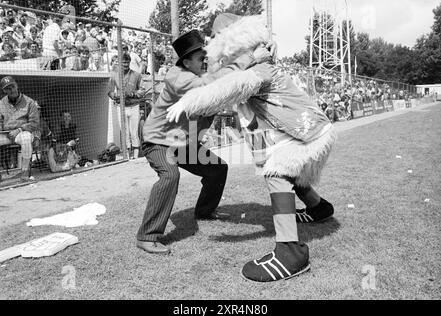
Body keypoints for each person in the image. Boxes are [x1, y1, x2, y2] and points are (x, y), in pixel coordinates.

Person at [167, 14, 336, 282]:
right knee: (285, 169)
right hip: (300, 131)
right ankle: (319, 208)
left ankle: (290, 252)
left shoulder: (260, 68)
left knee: (277, 173)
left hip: (307, 134)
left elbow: (229, 85)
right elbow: (227, 85)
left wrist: (190, 102)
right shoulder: (256, 63)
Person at [136, 30, 273, 255]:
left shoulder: (199, 74)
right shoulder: (176, 76)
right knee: (170, 175)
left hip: (182, 144)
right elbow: (212, 85)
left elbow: (223, 86)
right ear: (186, 61)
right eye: (200, 58)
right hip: (158, 142)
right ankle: (147, 236)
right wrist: (250, 58)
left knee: (217, 169)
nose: (205, 61)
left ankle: (205, 211)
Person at [0, 76, 40, 181]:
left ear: (17, 85)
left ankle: (25, 171)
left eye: (12, 86)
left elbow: (34, 123)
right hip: (5, 133)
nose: (11, 90)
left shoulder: (29, 102)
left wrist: (19, 130)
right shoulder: (1, 103)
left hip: (22, 132)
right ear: (4, 91)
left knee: (26, 139)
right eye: (8, 88)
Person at [108, 53, 145, 159]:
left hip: (134, 105)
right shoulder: (114, 75)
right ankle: (128, 155)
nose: (125, 64)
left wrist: (133, 94)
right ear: (119, 62)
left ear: (130, 62)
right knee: (124, 132)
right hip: (121, 106)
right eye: (123, 62)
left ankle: (136, 155)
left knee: (134, 132)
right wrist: (116, 96)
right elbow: (109, 91)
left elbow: (142, 90)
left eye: (127, 62)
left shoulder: (137, 75)